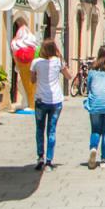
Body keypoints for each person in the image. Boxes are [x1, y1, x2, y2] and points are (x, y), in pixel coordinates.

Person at [31, 39, 73, 171]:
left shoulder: (35, 62)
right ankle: (49, 161)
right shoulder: (58, 62)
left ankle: (40, 157)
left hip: (40, 100)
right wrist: (61, 60)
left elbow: (32, 80)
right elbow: (69, 76)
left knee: (39, 129)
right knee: (51, 130)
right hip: (56, 100)